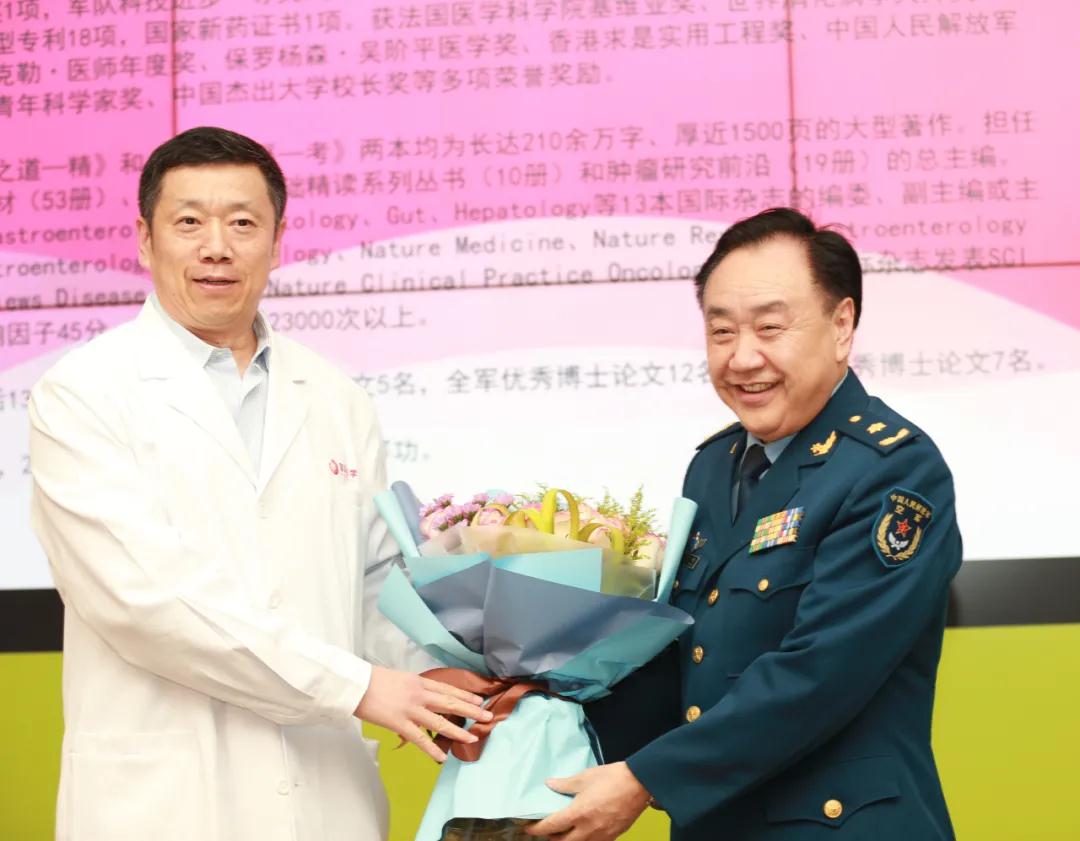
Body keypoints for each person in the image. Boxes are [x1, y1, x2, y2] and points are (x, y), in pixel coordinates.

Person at [29, 126, 490, 841]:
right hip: (161, 802)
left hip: (325, 796)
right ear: (146, 240)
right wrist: (360, 687)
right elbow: (147, 602)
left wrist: (440, 676)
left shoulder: (335, 396)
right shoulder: (84, 392)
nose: (217, 246)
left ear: (276, 243)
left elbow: (372, 586)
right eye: (189, 222)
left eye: (243, 223)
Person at [530, 208, 962, 841]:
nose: (742, 357)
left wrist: (647, 778)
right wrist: (536, 703)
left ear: (842, 326)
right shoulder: (713, 466)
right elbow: (683, 660)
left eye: (770, 327)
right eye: (722, 331)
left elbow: (821, 674)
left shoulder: (893, 470)